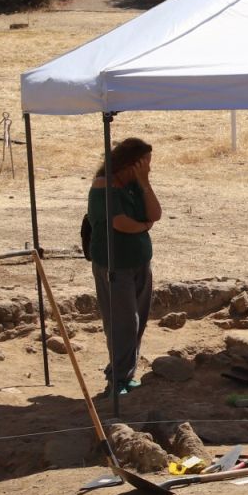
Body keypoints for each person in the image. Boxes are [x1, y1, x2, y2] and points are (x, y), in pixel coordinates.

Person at [85, 137, 160, 402]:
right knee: (122, 323)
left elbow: (155, 213)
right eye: (145, 163)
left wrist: (145, 182)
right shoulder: (103, 186)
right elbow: (121, 223)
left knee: (137, 320)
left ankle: (126, 373)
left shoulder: (135, 184)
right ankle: (116, 379)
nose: (148, 168)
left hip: (139, 260)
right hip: (114, 263)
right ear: (131, 162)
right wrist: (144, 226)